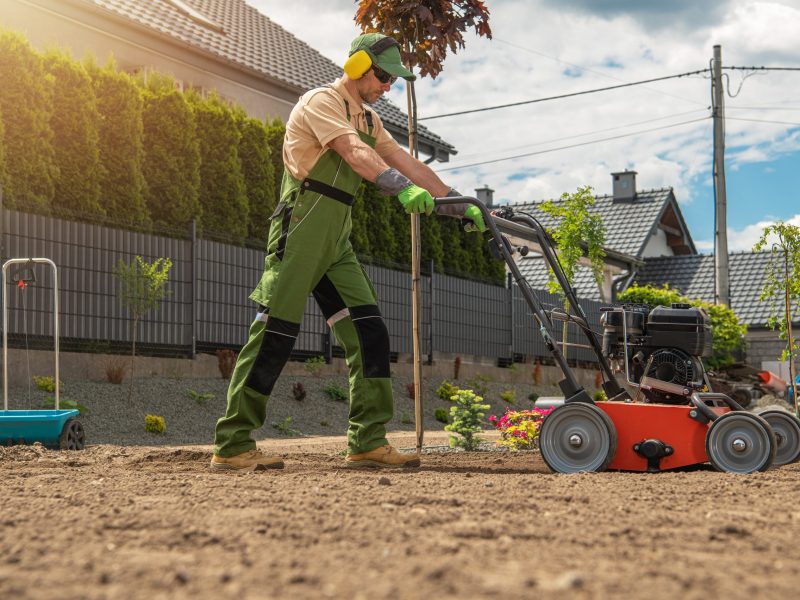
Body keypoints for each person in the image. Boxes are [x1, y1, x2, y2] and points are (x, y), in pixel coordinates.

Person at [211, 33, 485, 471]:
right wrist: (400, 191)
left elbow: (408, 163)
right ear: (358, 65)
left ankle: (367, 440)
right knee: (275, 333)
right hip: (302, 226)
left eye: (392, 80)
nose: (386, 86)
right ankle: (232, 443)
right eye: (382, 75)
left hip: (337, 235)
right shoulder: (322, 101)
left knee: (369, 332)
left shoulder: (370, 120)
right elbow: (352, 152)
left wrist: (459, 203)